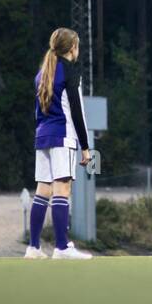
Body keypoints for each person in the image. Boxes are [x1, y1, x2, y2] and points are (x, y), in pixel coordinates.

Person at [26, 28, 93, 260]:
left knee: (42, 191)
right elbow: (77, 110)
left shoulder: (42, 73)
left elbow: (38, 112)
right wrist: (85, 146)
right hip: (63, 136)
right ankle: (62, 248)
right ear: (72, 48)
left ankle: (33, 247)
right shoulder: (69, 71)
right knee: (62, 190)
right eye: (77, 46)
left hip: (43, 136)